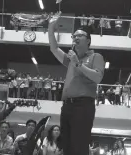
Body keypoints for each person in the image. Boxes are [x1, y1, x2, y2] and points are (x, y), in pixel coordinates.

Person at [48, 12, 105, 155]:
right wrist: (50, 28)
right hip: (67, 106)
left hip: (83, 106)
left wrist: (78, 63)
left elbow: (97, 77)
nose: (75, 37)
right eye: (74, 36)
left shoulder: (95, 57)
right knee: (66, 146)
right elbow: (54, 49)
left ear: (88, 41)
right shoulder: (71, 59)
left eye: (80, 35)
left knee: (79, 147)